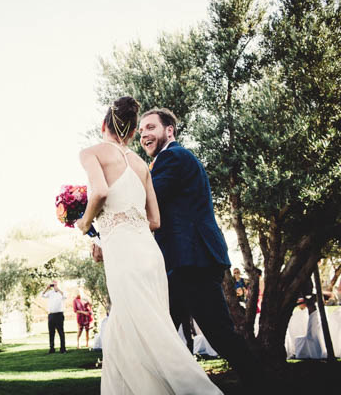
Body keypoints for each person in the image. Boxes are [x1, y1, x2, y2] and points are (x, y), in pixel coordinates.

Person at [77, 97, 222, 393]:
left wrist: (85, 222)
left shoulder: (91, 153)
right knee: (125, 326)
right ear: (131, 133)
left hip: (125, 256)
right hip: (149, 254)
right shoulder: (141, 165)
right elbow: (154, 220)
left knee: (152, 331)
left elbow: (101, 191)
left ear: (104, 124)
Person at [139, 107, 263, 389]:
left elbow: (149, 201)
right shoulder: (168, 159)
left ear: (169, 130)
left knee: (219, 334)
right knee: (161, 334)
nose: (144, 134)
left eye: (150, 127)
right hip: (180, 263)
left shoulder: (172, 157)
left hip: (192, 261)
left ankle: (259, 385)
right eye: (141, 130)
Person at [42, 280, 67, 354]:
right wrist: (47, 288)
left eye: (55, 284)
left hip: (59, 314)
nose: (54, 285)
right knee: (51, 332)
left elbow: (65, 296)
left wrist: (58, 289)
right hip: (51, 315)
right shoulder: (50, 293)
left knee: (61, 332)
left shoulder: (61, 292)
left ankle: (63, 348)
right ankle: (51, 348)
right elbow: (42, 295)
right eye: (53, 284)